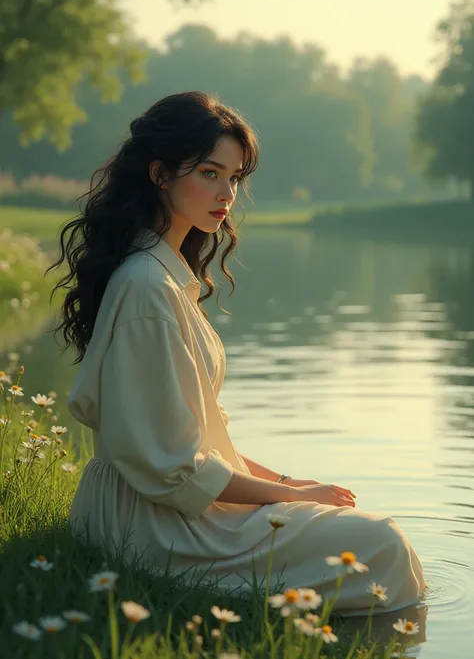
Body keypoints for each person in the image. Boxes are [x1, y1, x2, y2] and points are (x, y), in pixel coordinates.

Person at [49, 90, 425, 616]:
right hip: (150, 524)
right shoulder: (147, 287)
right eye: (209, 172)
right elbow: (175, 468)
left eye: (234, 177)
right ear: (159, 174)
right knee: (381, 545)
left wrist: (286, 482)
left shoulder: (164, 275)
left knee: (373, 542)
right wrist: (293, 500)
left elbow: (200, 437)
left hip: (157, 503)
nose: (226, 192)